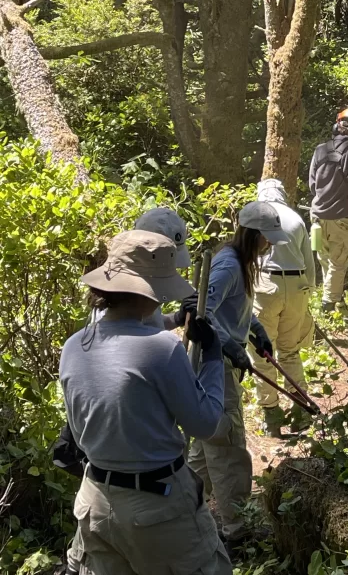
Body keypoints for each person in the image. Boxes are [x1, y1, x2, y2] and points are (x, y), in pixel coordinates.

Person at [59, 230, 230, 575]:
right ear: (151, 290)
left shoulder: (75, 346)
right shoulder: (161, 348)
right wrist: (213, 356)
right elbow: (205, 423)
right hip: (157, 506)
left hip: (95, 501)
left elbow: (80, 431)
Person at [187, 202, 285, 542]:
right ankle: (238, 528)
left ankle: (182, 514)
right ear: (254, 235)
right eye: (267, 239)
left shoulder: (239, 263)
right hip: (214, 367)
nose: (270, 245)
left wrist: (256, 329)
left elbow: (235, 307)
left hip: (218, 361)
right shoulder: (227, 266)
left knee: (203, 451)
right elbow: (201, 313)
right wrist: (230, 346)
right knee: (228, 449)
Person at [252, 179, 315, 437]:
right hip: (297, 285)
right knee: (290, 351)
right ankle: (301, 411)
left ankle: (272, 417)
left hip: (266, 285)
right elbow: (310, 265)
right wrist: (306, 294)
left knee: (263, 352)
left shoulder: (257, 216)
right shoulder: (297, 219)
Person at [309, 108, 348, 312]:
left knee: (325, 259)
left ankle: (334, 298)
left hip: (317, 215)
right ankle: (328, 304)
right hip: (342, 216)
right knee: (339, 262)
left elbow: (312, 184)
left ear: (337, 126)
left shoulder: (320, 149)